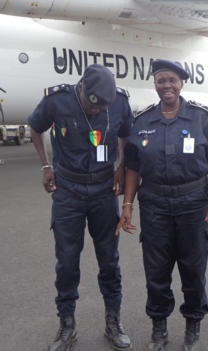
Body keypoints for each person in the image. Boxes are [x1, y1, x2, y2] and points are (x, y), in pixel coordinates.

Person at [116, 59, 208, 351]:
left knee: (193, 270)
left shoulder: (201, 118)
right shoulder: (142, 121)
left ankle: (193, 326)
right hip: (154, 204)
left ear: (181, 83)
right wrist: (128, 203)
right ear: (155, 84)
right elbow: (132, 167)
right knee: (156, 272)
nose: (166, 85)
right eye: (160, 80)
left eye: (172, 80)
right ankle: (159, 329)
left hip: (194, 203)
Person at [28, 64, 133, 351]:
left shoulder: (120, 101)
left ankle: (113, 323)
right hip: (68, 191)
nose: (96, 112)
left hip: (103, 191)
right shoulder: (57, 99)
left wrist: (122, 165)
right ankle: (67, 327)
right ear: (82, 86)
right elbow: (36, 128)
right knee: (67, 262)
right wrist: (46, 165)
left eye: (102, 109)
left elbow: (127, 133)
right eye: (91, 105)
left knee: (109, 261)